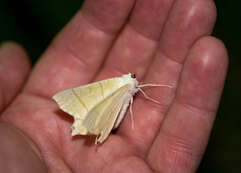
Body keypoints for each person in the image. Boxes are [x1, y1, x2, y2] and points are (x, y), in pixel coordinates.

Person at [0, 0, 228, 172]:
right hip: (101, 121)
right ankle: (88, 126)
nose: (136, 80)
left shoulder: (124, 84)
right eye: (135, 78)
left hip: (101, 116)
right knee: (97, 105)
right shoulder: (124, 85)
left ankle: (87, 125)